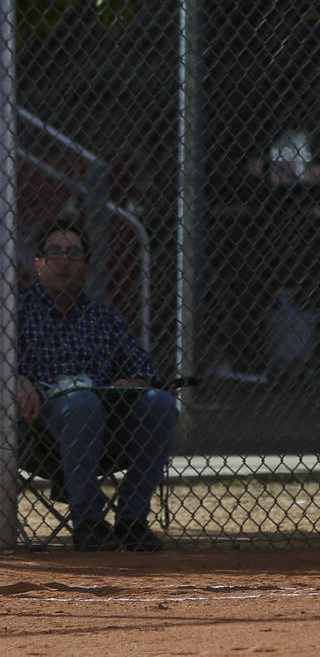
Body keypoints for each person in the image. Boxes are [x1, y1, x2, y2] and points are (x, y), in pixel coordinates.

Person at [15, 219, 178, 552]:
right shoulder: (15, 311)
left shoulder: (101, 317)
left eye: (73, 253)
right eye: (54, 252)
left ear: (86, 267)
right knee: (82, 403)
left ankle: (132, 519)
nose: (64, 261)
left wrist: (131, 382)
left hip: (103, 427)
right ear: (38, 263)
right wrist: (13, 379)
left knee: (160, 404)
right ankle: (88, 521)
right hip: (38, 426)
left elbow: (144, 370)